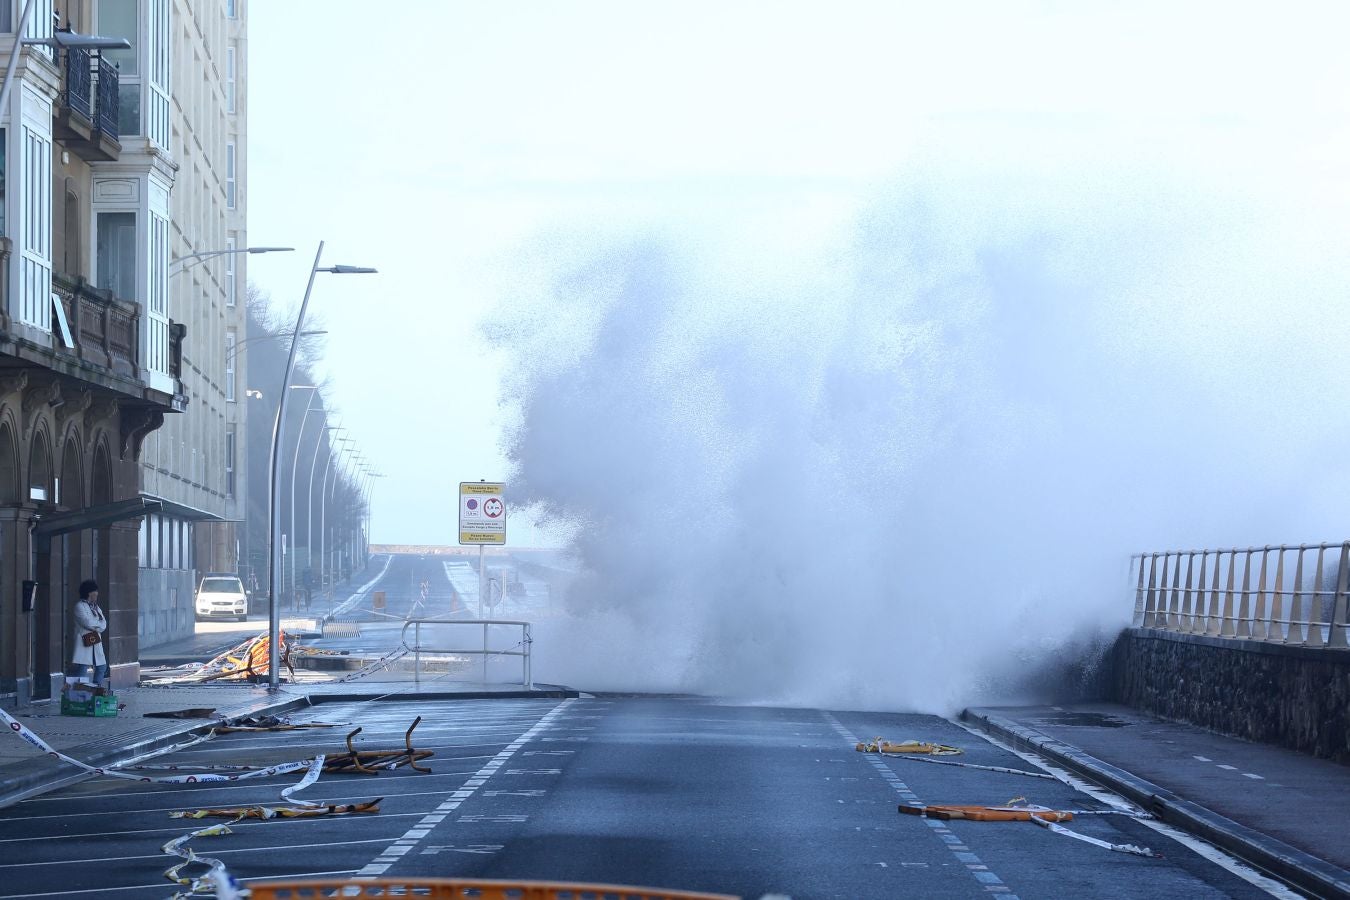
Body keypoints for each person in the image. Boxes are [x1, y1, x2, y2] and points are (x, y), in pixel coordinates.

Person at [69, 579, 108, 687]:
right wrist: (97, 625)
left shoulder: (96, 607)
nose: (97, 593)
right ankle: (79, 693)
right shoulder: (79, 606)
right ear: (89, 592)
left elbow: (104, 623)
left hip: (96, 642)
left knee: (101, 667)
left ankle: (96, 690)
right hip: (84, 642)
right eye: (95, 591)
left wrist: (97, 626)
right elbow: (87, 622)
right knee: (83, 669)